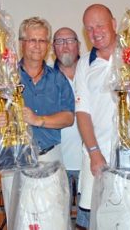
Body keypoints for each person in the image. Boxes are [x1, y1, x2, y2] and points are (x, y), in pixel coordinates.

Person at [74, 4, 130, 229]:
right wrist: (94, 153)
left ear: (114, 24)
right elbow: (82, 113)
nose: (95, 33)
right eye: (89, 28)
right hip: (100, 155)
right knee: (102, 217)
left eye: (100, 25)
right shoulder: (85, 64)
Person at [0, 16, 75, 220]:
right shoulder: (4, 78)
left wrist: (38, 120)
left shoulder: (58, 79)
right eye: (32, 40)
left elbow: (68, 118)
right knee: (18, 219)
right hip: (14, 159)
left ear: (48, 45)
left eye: (42, 41)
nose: (37, 46)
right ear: (22, 43)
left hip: (49, 158)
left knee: (54, 218)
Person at [53, 27, 82, 218]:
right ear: (52, 48)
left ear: (78, 45)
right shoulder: (46, 78)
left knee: (91, 219)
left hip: (90, 163)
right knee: (58, 219)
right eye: (59, 42)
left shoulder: (92, 73)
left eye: (70, 41)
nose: (65, 46)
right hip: (58, 162)